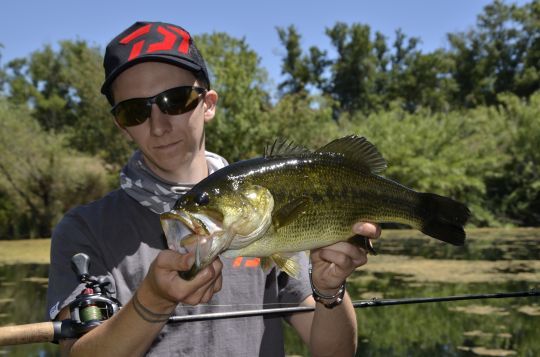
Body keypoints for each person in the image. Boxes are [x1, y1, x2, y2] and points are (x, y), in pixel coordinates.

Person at [46, 21, 381, 356]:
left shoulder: (262, 204)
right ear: (121, 125)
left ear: (208, 104)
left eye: (176, 101)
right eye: (135, 111)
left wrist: (329, 291)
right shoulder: (84, 230)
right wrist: (152, 301)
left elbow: (334, 352)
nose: (159, 125)